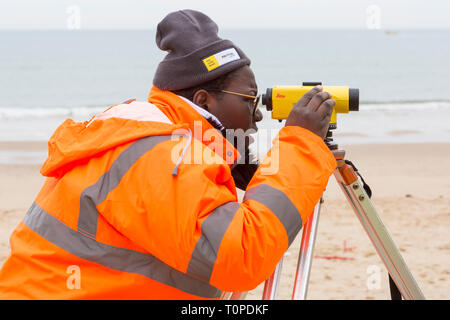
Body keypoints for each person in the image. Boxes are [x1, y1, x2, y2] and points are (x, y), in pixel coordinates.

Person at [0, 9, 337, 299]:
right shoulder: (164, 156)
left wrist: (232, 162)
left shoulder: (144, 131)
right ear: (204, 100)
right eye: (250, 100)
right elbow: (240, 258)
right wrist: (302, 144)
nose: (258, 114)